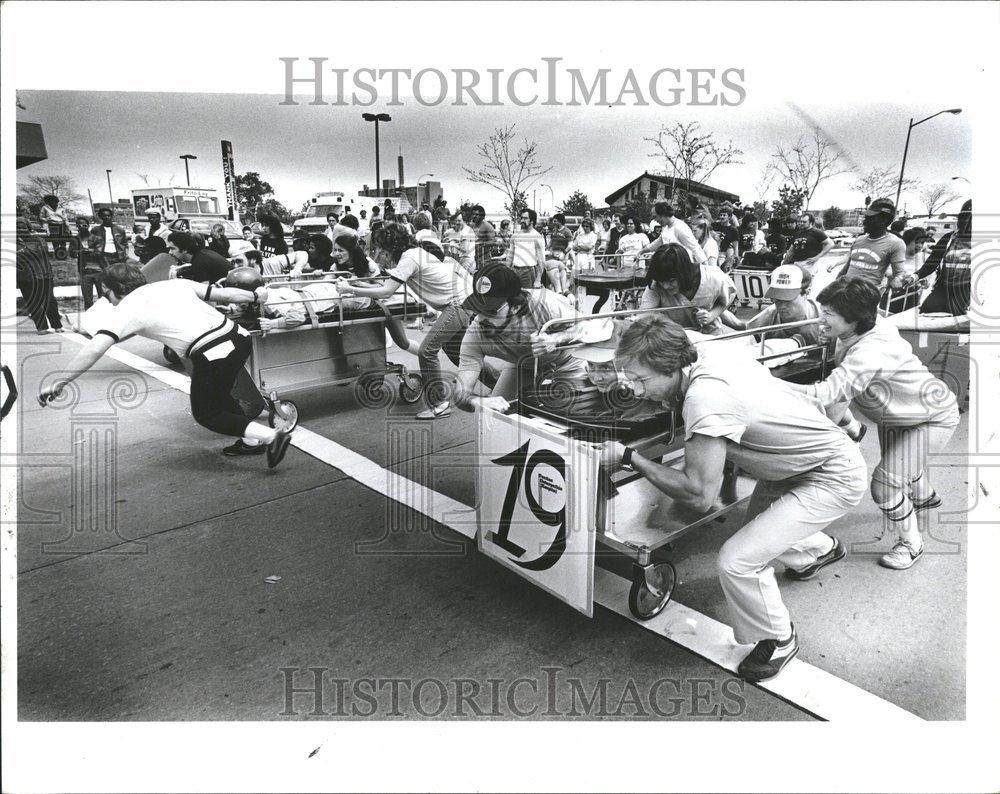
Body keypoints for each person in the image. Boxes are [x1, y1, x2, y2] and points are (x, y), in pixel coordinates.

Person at [600, 315, 866, 681]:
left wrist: (630, 458)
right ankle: (818, 550)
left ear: (672, 365)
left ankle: (779, 637)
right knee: (761, 532)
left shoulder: (706, 398)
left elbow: (699, 495)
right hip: (791, 465)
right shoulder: (697, 347)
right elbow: (651, 329)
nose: (637, 390)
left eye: (643, 380)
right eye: (631, 379)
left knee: (738, 560)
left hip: (830, 475)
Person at [38, 264, 294, 467]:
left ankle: (273, 438)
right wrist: (255, 294)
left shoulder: (126, 309)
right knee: (219, 393)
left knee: (207, 413)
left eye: (107, 294)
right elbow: (226, 294)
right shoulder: (173, 285)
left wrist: (60, 381)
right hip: (238, 338)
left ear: (116, 288)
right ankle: (251, 441)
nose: (109, 300)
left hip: (213, 351)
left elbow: (96, 347)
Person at [786, 278, 959, 570]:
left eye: (828, 314)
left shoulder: (871, 351)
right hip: (900, 413)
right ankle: (924, 496)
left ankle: (911, 544)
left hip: (932, 418)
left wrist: (770, 386)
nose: (820, 318)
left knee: (885, 486)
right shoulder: (867, 324)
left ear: (854, 320)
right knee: (901, 465)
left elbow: (829, 393)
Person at [336, 223, 499, 420]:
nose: (377, 254)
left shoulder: (409, 258)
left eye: (379, 248)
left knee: (427, 351)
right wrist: (361, 284)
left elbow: (387, 290)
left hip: (458, 304)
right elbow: (390, 283)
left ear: (389, 247)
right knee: (459, 354)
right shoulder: (413, 254)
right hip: (462, 301)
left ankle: (439, 404)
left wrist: (350, 289)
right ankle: (501, 385)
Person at [454, 264, 597, 412]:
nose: (482, 318)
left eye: (491, 311)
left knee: (570, 414)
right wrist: (477, 401)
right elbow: (460, 395)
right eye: (478, 309)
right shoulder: (476, 332)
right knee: (496, 413)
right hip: (525, 365)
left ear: (515, 307)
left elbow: (590, 326)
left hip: (566, 360)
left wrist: (555, 339)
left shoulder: (544, 302)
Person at [638, 243, 737, 336]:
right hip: (674, 338)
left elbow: (726, 299)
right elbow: (644, 316)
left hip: (709, 337)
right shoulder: (655, 285)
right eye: (661, 281)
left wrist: (712, 315)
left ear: (684, 273)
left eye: (671, 281)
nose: (665, 286)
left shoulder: (713, 277)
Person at [719, 264, 825, 350]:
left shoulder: (824, 319)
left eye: (788, 299)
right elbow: (745, 327)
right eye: (777, 299)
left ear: (806, 293)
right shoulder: (772, 313)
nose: (782, 306)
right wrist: (714, 309)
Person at [912, 199, 972, 316]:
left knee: (959, 321)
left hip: (967, 291)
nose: (966, 221)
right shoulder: (949, 237)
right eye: (963, 217)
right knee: (925, 312)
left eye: (970, 218)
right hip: (943, 288)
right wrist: (915, 276)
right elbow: (933, 261)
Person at [836, 198, 907, 294]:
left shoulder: (896, 243)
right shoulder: (858, 240)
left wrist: (898, 279)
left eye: (870, 219)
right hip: (844, 291)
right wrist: (835, 285)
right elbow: (846, 268)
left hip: (866, 296)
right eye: (866, 218)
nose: (864, 222)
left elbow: (900, 272)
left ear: (884, 220)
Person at [16, 211, 64, 334]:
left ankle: (57, 325)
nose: (20, 229)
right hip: (24, 277)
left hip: (43, 274)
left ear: (28, 227)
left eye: (22, 226)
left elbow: (38, 254)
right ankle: (42, 327)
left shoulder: (38, 240)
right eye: (17, 226)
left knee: (50, 302)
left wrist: (21, 253)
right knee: (33, 302)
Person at [639, 202, 707, 266]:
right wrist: (641, 251)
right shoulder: (666, 227)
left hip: (682, 268)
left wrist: (707, 267)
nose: (655, 220)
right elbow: (658, 242)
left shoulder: (680, 227)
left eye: (655, 217)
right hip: (671, 267)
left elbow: (695, 247)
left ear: (663, 214)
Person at [505, 208, 546, 288]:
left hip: (528, 272)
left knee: (528, 297)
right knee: (512, 297)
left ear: (532, 221)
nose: (522, 220)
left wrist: (538, 280)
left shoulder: (537, 237)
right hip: (514, 270)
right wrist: (506, 272)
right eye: (522, 218)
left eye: (525, 218)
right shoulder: (515, 235)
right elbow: (510, 256)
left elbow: (541, 260)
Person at [76, 217, 103, 310]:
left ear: (88, 226)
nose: (82, 227)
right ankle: (89, 320)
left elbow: (99, 253)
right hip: (85, 272)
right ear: (77, 227)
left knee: (103, 298)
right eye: (79, 225)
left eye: (84, 225)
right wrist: (85, 251)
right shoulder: (75, 239)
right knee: (87, 300)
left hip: (99, 271)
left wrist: (83, 251)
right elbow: (71, 253)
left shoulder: (97, 238)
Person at [544, 213, 574, 294]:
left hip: (562, 254)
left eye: (555, 221)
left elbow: (570, 245)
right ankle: (559, 290)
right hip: (553, 253)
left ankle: (561, 290)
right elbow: (551, 242)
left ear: (560, 221)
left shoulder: (567, 231)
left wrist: (564, 253)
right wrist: (545, 249)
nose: (553, 222)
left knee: (559, 272)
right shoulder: (554, 230)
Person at [713, 203, 741, 271]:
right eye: (721, 215)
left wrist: (736, 258)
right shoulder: (714, 225)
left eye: (724, 215)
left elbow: (736, 246)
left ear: (729, 217)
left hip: (722, 254)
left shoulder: (733, 229)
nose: (722, 217)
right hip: (712, 251)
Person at [468, 205, 497, 269]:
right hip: (473, 258)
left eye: (477, 214)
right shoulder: (471, 226)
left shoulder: (487, 226)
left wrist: (482, 244)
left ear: (482, 216)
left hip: (484, 259)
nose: (474, 216)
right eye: (473, 214)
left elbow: (493, 241)